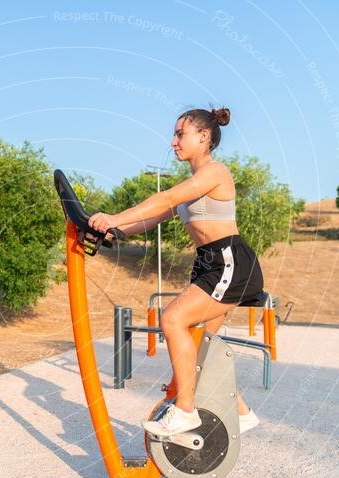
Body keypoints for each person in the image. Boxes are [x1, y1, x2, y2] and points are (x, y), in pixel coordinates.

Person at [88, 107, 263, 439]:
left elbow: (164, 197)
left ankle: (185, 412)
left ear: (203, 137)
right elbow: (150, 218)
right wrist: (113, 231)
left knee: (172, 320)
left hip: (230, 262)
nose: (173, 142)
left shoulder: (215, 172)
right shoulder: (192, 187)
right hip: (211, 264)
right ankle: (243, 414)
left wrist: (112, 216)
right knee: (203, 351)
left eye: (180, 134)